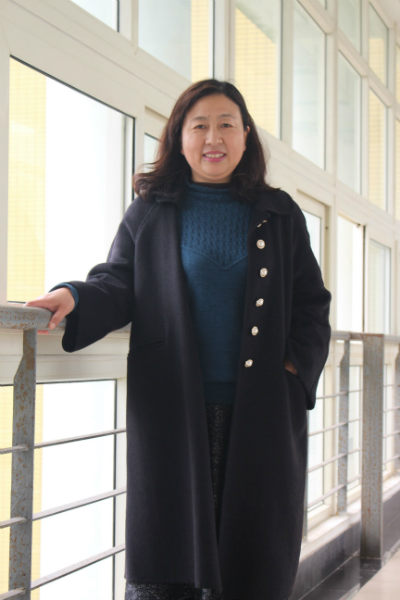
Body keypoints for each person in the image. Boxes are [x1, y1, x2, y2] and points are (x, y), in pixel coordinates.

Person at [26, 79, 331, 600]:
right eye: (199, 126)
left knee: (253, 557)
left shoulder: (280, 213)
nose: (213, 138)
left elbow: (312, 304)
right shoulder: (151, 210)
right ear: (179, 137)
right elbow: (118, 282)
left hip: (260, 412)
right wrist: (74, 296)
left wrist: (293, 372)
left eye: (226, 124)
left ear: (246, 135)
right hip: (174, 408)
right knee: (168, 560)